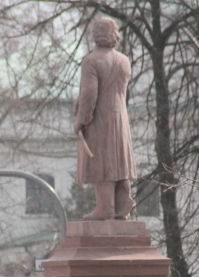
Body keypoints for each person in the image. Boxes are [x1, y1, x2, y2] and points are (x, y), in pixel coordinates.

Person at [74, 17, 137, 221]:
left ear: (96, 34)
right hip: (121, 119)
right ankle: (123, 203)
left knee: (101, 161)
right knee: (119, 160)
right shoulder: (124, 61)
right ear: (114, 33)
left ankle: (106, 208)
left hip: (100, 118)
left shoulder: (91, 61)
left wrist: (81, 120)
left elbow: (89, 94)